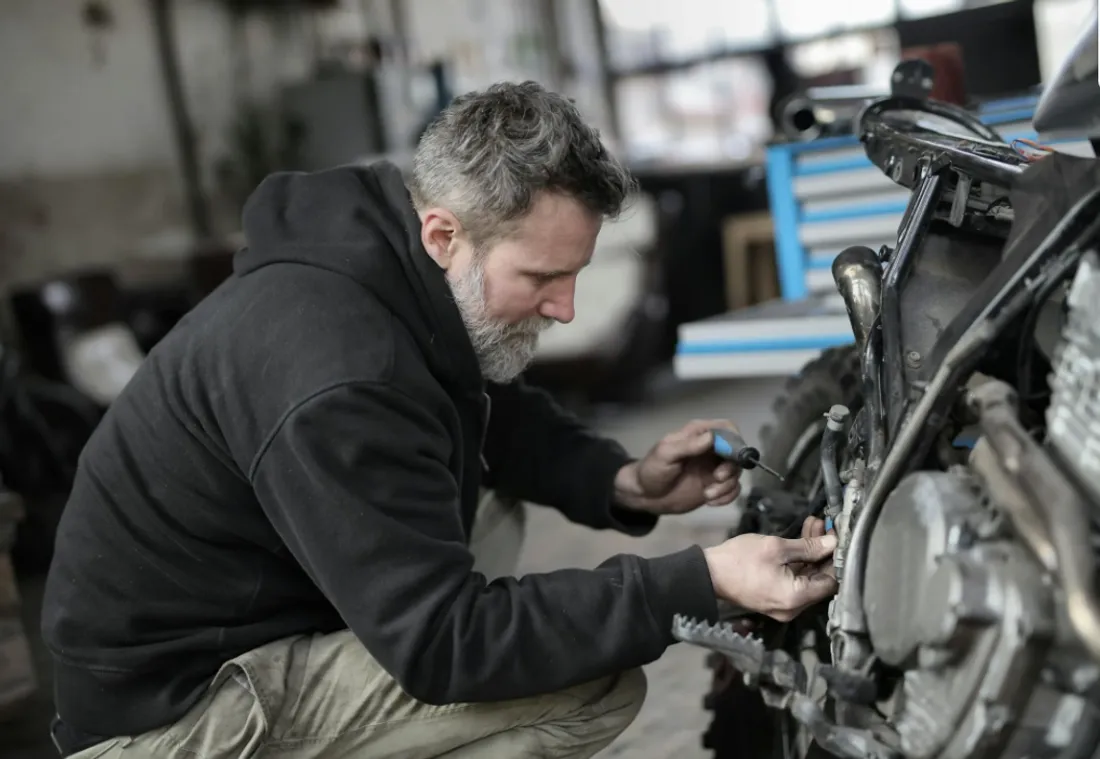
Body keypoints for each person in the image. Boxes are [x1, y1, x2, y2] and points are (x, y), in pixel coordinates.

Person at [42, 81, 837, 759]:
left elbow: (483, 402)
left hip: (237, 623)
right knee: (588, 684)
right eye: (544, 277)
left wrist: (623, 480)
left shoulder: (386, 265)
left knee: (495, 498)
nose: (563, 308)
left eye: (575, 276)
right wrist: (700, 579)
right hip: (171, 713)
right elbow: (445, 642)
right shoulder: (339, 373)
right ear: (443, 233)